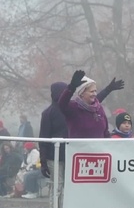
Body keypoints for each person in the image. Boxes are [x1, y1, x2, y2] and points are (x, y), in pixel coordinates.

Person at [39, 78, 124, 208]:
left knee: (70, 186)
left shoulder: (74, 108)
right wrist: (43, 160)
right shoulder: (50, 113)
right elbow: (43, 137)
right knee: (57, 186)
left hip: (72, 154)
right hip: (55, 156)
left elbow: (94, 103)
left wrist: (108, 89)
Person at [58, 70, 122, 138]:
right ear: (82, 93)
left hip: (100, 148)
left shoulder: (99, 108)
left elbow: (105, 132)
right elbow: (62, 104)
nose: (94, 94)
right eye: (91, 91)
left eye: (95, 91)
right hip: (79, 148)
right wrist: (72, 87)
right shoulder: (73, 108)